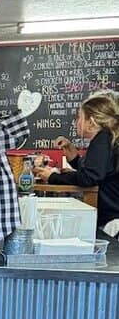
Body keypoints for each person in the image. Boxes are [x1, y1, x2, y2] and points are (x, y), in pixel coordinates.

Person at [33, 93, 119, 233]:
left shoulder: (102, 139)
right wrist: (74, 158)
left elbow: (90, 177)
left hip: (113, 222)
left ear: (91, 122)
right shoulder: (108, 137)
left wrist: (52, 177)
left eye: (80, 117)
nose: (77, 122)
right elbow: (98, 171)